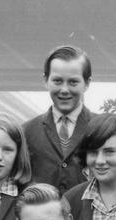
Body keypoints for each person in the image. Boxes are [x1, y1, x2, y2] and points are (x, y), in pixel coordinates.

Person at [23, 46, 95, 193]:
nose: (64, 89)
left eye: (73, 82)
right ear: (45, 80)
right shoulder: (27, 131)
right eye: (57, 81)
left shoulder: (101, 128)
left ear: (87, 83)